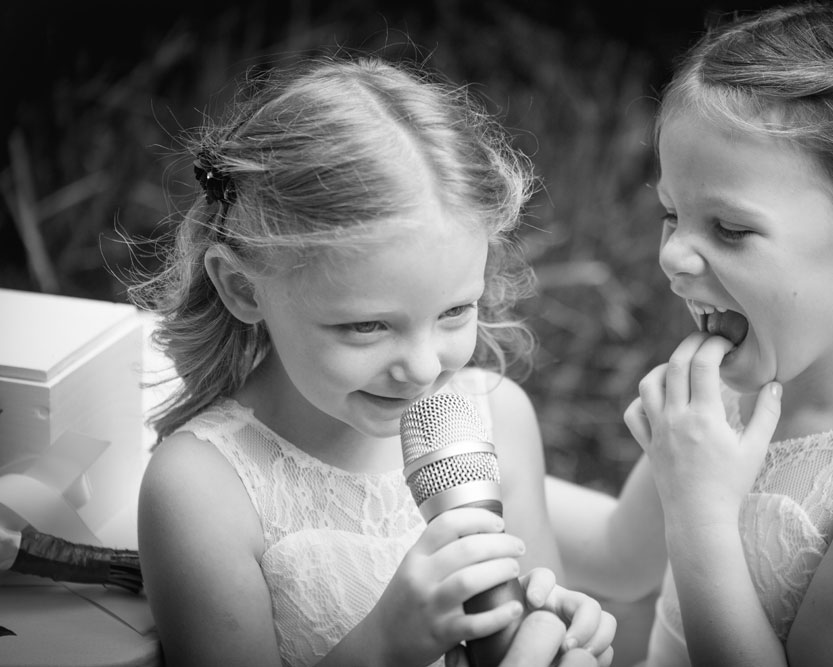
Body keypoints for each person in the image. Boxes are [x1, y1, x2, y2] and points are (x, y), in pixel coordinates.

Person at [547, 2, 833, 665]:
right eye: (673, 214)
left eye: (730, 228)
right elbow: (620, 557)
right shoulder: (728, 401)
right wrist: (484, 441)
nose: (673, 255)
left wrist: (698, 510)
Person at [133, 55, 615, 667]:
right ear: (243, 288)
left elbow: (530, 613)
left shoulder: (496, 418)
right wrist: (384, 647)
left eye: (454, 312)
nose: (421, 368)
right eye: (366, 326)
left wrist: (559, 633)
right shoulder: (202, 490)